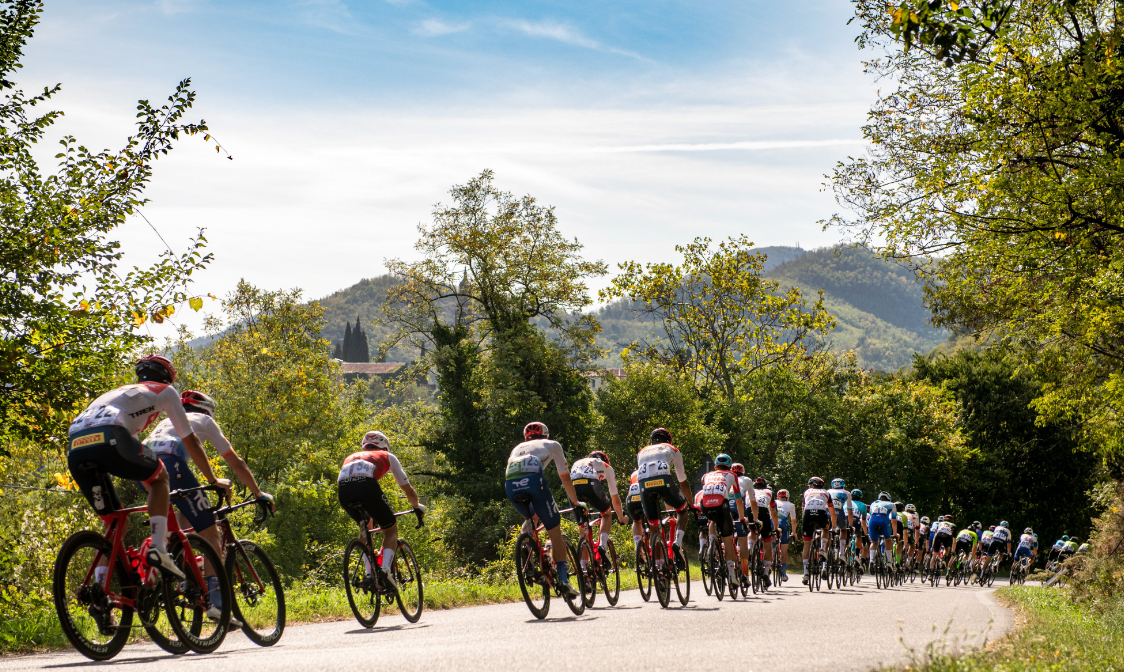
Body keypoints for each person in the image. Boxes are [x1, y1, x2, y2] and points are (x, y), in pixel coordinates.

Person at [67, 355, 219, 582]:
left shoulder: (115, 395)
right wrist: (212, 479)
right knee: (160, 478)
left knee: (117, 521)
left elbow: (133, 448)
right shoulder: (165, 391)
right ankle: (158, 548)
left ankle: (99, 589)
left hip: (76, 447)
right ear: (168, 377)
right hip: (111, 435)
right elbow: (190, 439)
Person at [144, 389, 273, 622]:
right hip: (170, 466)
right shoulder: (204, 420)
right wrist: (258, 492)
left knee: (183, 527)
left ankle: (180, 578)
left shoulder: (167, 420)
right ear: (208, 411)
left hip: (143, 465)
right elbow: (235, 461)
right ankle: (217, 603)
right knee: (211, 532)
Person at [338, 430, 424, 591]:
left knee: (365, 530)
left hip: (344, 492)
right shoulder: (387, 456)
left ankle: (370, 575)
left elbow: (351, 481)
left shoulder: (350, 458)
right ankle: (385, 571)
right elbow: (408, 491)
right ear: (385, 446)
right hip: (366, 487)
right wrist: (417, 507)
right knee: (390, 529)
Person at [504, 422, 581, 598]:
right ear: (546, 436)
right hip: (533, 483)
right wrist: (575, 503)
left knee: (532, 517)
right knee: (554, 530)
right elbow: (565, 477)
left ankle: (528, 550)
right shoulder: (552, 445)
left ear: (526, 438)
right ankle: (563, 580)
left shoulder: (517, 449)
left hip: (511, 486)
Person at [636, 428, 693, 550]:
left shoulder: (641, 452)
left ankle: (658, 564)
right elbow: (683, 482)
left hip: (644, 485)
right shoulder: (672, 449)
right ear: (668, 440)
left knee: (654, 528)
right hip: (663, 481)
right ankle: (677, 542)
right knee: (682, 510)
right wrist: (692, 504)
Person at [698, 454, 746, 587]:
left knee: (712, 520)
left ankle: (712, 542)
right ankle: (731, 575)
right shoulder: (732, 475)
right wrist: (741, 518)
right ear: (729, 466)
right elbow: (738, 500)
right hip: (722, 504)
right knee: (728, 539)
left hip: (705, 503)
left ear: (715, 466)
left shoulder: (706, 476)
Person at [570, 451, 628, 553]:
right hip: (590, 484)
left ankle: (584, 566)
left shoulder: (578, 462)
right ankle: (603, 545)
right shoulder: (606, 466)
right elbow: (615, 497)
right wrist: (621, 517)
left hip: (572, 487)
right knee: (606, 513)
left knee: (583, 530)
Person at [800, 476, 838, 584]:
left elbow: (804, 508)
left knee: (807, 543)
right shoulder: (826, 493)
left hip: (808, 514)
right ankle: (822, 548)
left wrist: (805, 523)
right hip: (821, 513)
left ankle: (805, 573)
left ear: (811, 485)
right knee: (826, 528)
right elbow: (832, 512)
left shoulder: (807, 492)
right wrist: (834, 528)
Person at [751, 476, 780, 587]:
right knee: (767, 543)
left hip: (750, 511)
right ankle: (766, 572)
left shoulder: (750, 490)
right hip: (763, 512)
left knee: (752, 531)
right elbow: (773, 512)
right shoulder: (769, 492)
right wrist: (776, 528)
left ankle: (750, 549)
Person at [730, 463, 758, 577]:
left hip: (723, 505)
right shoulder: (747, 480)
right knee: (743, 541)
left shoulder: (726, 476)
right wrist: (755, 519)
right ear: (743, 471)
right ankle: (745, 574)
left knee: (725, 538)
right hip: (737, 504)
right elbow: (753, 502)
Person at [867, 492, 897, 569]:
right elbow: (894, 520)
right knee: (887, 540)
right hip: (884, 521)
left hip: (872, 521)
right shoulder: (892, 505)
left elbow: (870, 515)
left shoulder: (873, 503)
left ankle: (871, 560)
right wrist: (895, 533)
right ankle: (889, 563)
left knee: (874, 542)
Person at [827, 478, 854, 558]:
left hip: (828, 513)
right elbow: (849, 511)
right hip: (839, 513)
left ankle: (823, 549)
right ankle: (841, 553)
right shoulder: (847, 493)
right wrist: (851, 525)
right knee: (843, 529)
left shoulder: (827, 491)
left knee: (825, 530)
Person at [775, 489, 797, 581]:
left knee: (769, 544)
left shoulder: (774, 502)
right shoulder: (791, 505)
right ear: (787, 497)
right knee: (784, 550)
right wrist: (794, 532)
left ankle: (767, 565)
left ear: (777, 497)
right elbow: (793, 520)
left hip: (774, 523)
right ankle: (783, 573)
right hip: (784, 524)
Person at [845, 489, 869, 567]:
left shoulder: (846, 503)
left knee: (844, 534)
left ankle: (842, 552)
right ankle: (856, 555)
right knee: (858, 536)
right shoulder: (863, 505)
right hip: (855, 521)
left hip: (845, 521)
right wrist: (866, 534)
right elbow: (863, 521)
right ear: (860, 497)